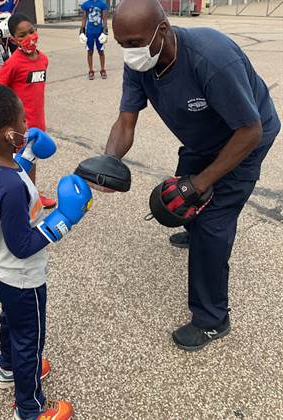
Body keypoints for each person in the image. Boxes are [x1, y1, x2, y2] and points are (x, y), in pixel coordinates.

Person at [102, 0, 281, 351]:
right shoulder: (140, 62)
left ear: (163, 30)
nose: (129, 52)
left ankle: (212, 320)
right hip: (202, 139)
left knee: (212, 221)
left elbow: (249, 131)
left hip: (246, 135)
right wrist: (106, 162)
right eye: (122, 45)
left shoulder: (211, 59)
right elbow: (126, 120)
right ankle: (193, 227)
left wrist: (201, 183)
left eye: (135, 43)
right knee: (185, 185)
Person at [0, 82, 92, 419]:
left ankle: (7, 368)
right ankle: (30, 409)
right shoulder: (10, 187)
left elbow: (19, 180)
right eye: (22, 122)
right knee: (29, 339)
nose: (27, 125)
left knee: (12, 320)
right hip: (20, 276)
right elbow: (22, 246)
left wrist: (28, 155)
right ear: (7, 134)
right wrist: (62, 220)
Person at [0, 13, 56, 209]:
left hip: (38, 123)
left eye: (31, 31)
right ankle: (18, 200)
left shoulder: (44, 60)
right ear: (13, 39)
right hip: (19, 125)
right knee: (16, 164)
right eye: (22, 36)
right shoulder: (13, 63)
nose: (29, 37)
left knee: (32, 159)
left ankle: (32, 196)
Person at [80, 0, 108, 80]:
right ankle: (91, 70)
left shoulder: (102, 4)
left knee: (101, 51)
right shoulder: (86, 4)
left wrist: (105, 32)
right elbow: (84, 18)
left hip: (99, 32)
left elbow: (105, 19)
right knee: (90, 51)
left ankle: (102, 69)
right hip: (89, 32)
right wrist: (82, 32)